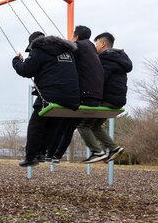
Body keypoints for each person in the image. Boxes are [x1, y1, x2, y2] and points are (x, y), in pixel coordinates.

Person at [12, 31, 80, 167]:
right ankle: (42, 153)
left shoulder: (39, 50)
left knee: (36, 124)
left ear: (33, 43)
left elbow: (26, 70)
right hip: (72, 96)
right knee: (52, 124)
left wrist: (16, 61)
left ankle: (31, 156)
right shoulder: (67, 51)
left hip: (51, 95)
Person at [46, 25, 104, 164]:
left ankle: (50, 155)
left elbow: (60, 52)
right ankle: (56, 156)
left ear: (76, 36)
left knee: (61, 123)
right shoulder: (93, 49)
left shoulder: (78, 45)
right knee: (69, 126)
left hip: (84, 95)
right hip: (96, 96)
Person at [79, 32, 132, 163]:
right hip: (117, 101)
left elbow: (99, 79)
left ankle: (97, 152)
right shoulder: (119, 58)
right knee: (95, 126)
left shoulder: (105, 58)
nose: (95, 47)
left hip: (107, 100)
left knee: (82, 125)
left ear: (103, 44)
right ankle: (114, 148)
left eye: (96, 43)